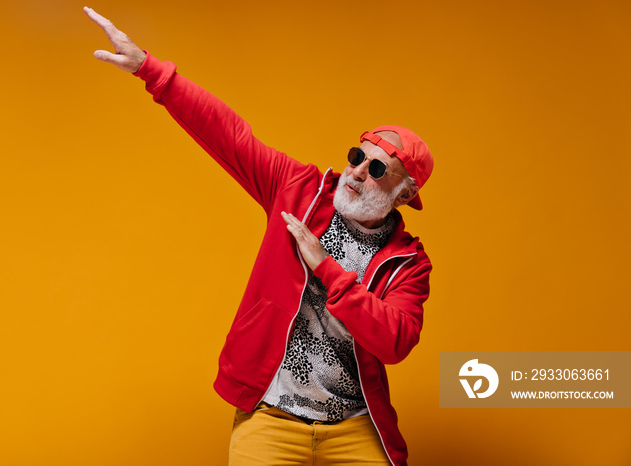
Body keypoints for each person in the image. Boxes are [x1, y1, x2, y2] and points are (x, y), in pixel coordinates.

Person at [84, 6, 434, 465]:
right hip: (271, 416)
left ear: (404, 193)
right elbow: (230, 136)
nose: (356, 173)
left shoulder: (408, 262)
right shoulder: (299, 189)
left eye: (376, 169)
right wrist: (152, 71)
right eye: (356, 156)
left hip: (353, 424)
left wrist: (325, 268)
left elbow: (396, 341)